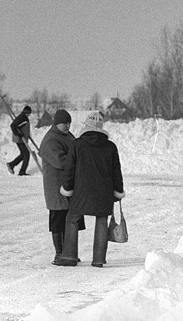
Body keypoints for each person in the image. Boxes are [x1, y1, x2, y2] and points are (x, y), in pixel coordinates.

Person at [55, 112, 124, 268]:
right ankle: (98, 260)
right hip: (104, 192)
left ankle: (69, 257)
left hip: (82, 191)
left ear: (86, 126)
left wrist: (67, 188)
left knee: (72, 219)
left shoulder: (78, 144)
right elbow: (116, 171)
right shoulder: (110, 146)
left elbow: (70, 169)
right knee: (101, 221)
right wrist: (118, 191)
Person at [39, 109, 85, 263]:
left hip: (68, 185)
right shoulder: (51, 140)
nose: (67, 126)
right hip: (56, 188)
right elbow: (61, 161)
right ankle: (60, 254)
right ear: (56, 123)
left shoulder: (67, 136)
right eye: (64, 123)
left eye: (69, 123)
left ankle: (69, 252)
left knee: (70, 219)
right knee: (58, 221)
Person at [6, 105, 33, 176]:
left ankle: (11, 164)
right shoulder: (22, 118)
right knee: (26, 154)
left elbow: (21, 126)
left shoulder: (23, 117)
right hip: (20, 139)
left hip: (20, 138)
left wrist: (27, 134)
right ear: (26, 112)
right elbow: (13, 126)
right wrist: (18, 134)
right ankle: (22, 171)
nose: (29, 114)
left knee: (23, 154)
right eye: (29, 113)